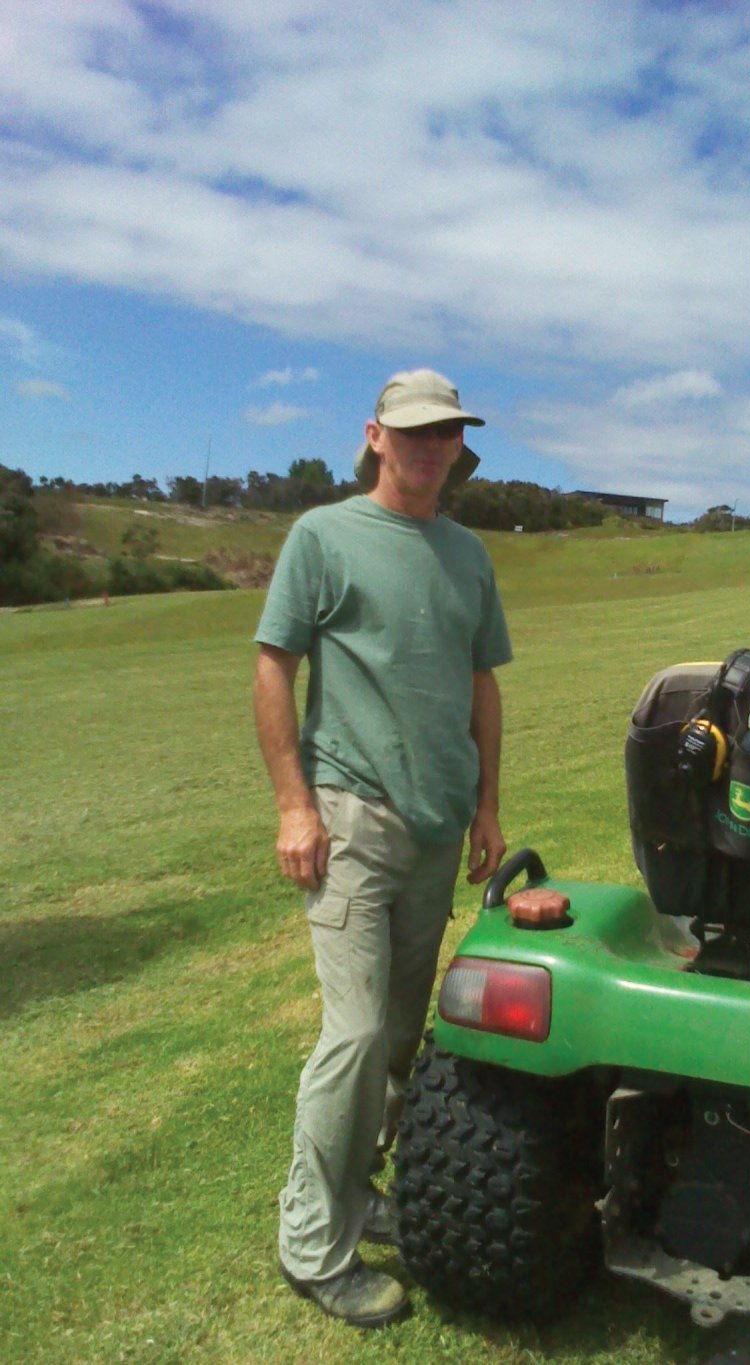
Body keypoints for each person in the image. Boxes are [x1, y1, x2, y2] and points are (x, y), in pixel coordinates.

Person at [253, 369, 512, 1329]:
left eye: (445, 431)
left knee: (399, 1040)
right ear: (375, 436)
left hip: (440, 827)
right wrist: (294, 806)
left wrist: (487, 805)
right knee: (356, 1033)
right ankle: (313, 1244)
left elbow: (481, 684)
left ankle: (362, 1195)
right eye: (412, 431)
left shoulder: (468, 554)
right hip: (351, 817)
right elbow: (274, 664)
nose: (430, 446)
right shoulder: (321, 536)